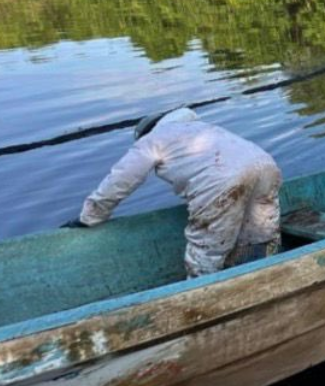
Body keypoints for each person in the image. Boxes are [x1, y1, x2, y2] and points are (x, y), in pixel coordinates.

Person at [62, 107, 282, 279]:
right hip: (265, 166)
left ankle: (201, 298)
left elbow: (120, 180)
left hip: (220, 182)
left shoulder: (152, 140)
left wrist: (90, 216)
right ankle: (268, 275)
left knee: (206, 250)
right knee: (261, 233)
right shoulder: (201, 127)